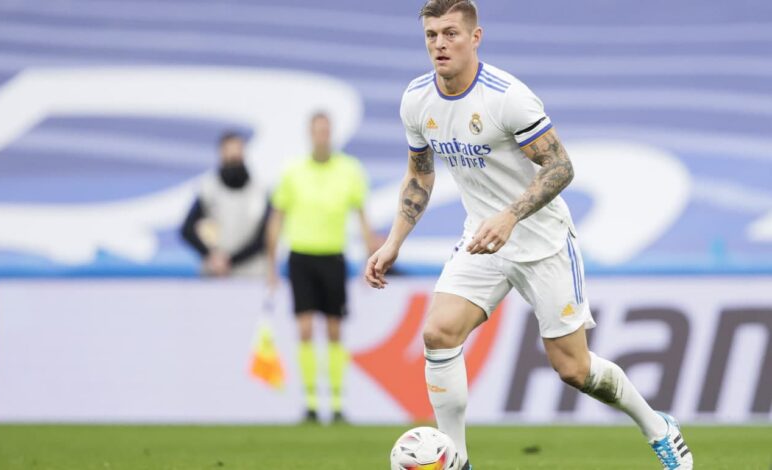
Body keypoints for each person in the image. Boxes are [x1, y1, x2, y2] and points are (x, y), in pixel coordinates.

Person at [364, 1, 693, 469]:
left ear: (475, 37)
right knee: (438, 333)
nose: (440, 44)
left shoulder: (507, 97)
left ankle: (658, 427)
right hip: (481, 240)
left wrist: (511, 216)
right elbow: (419, 174)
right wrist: (394, 241)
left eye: (451, 33)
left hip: (542, 242)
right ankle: (456, 460)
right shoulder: (417, 99)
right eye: (432, 35)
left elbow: (561, 167)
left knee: (574, 369)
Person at [267, 112, 378, 423]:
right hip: (301, 255)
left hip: (333, 256)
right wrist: (271, 264)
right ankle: (311, 402)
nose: (322, 136)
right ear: (310, 134)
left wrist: (371, 256)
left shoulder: (350, 170)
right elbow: (276, 218)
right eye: (317, 131)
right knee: (304, 328)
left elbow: (362, 216)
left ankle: (338, 402)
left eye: (326, 131)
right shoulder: (293, 171)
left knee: (334, 329)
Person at [181, 131, 269, 277]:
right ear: (221, 153)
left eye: (237, 150)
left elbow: (265, 236)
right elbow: (187, 229)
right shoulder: (208, 188)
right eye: (229, 151)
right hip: (216, 273)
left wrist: (231, 260)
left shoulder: (260, 190)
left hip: (252, 274)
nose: (234, 155)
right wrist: (211, 256)